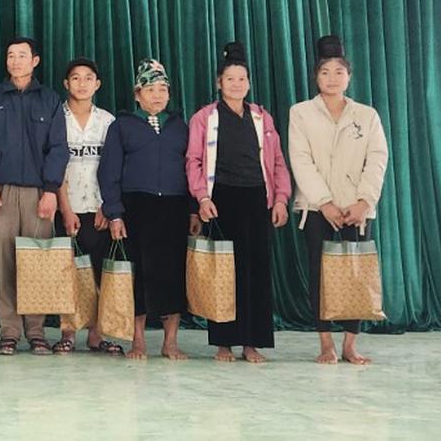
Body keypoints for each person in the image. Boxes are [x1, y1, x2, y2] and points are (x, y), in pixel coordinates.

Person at [186, 41, 291, 363]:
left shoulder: (261, 117)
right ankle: (224, 342)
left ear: (249, 83)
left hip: (257, 198)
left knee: (255, 271)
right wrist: (202, 197)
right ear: (219, 83)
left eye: (241, 79)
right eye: (229, 79)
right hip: (221, 199)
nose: (236, 84)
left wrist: (281, 199)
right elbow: (193, 161)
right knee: (222, 272)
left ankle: (251, 342)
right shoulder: (204, 117)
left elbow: (277, 162)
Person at [289, 35, 389, 366]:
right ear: (316, 77)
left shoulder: (367, 115)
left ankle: (350, 344)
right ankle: (325, 344)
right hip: (316, 208)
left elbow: (377, 159)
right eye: (325, 72)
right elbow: (300, 159)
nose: (332, 78)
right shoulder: (301, 113)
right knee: (320, 274)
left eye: (339, 72)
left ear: (349, 76)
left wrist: (364, 201)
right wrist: (324, 202)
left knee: (355, 274)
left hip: (356, 209)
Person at [0, 36, 66, 357]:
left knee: (37, 263)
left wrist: (51, 190)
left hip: (40, 193)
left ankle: (36, 332)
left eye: (22, 55)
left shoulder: (50, 99)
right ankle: (9, 332)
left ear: (35, 61)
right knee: (5, 263)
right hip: (2, 191)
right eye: (10, 55)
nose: (15, 61)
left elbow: (58, 148)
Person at [101, 58, 194, 361]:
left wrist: (193, 210)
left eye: (162, 89)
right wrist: (114, 213)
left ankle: (170, 342)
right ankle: (137, 341)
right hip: (136, 207)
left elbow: (193, 169)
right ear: (137, 94)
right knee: (137, 274)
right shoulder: (121, 126)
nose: (157, 95)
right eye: (150, 89)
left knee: (173, 273)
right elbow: (109, 172)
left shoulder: (180, 126)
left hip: (174, 207)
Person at [50, 58, 117, 355]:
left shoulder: (107, 121)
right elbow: (55, 168)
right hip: (67, 208)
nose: (82, 83)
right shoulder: (56, 119)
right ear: (66, 84)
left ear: (97, 84)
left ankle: (96, 335)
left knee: (99, 272)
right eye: (75, 78)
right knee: (67, 273)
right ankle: (68, 333)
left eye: (88, 78)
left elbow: (114, 168)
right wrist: (65, 210)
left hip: (98, 209)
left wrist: (107, 207)